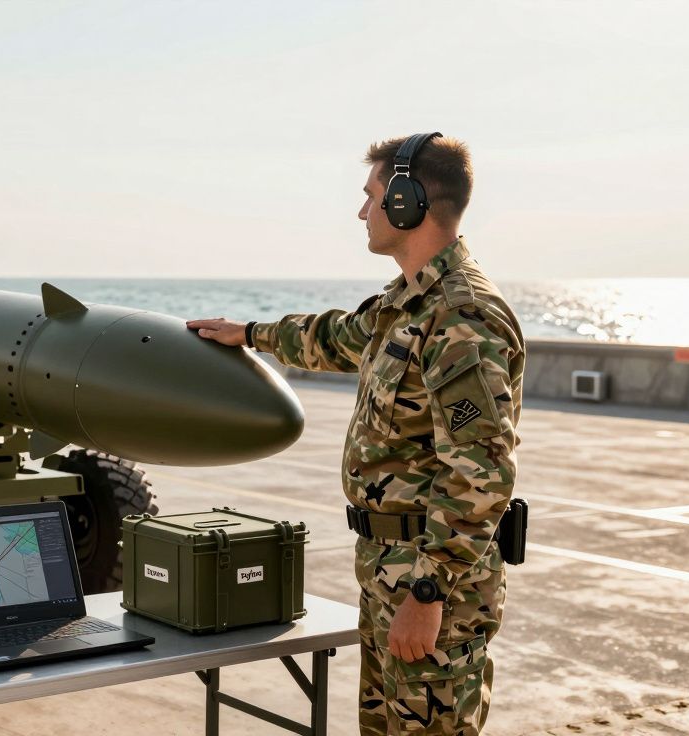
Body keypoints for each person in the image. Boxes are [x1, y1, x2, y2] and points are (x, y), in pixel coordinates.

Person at [187, 133, 523, 735]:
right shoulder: (407, 302)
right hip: (388, 571)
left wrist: (427, 592)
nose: (362, 211)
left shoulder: (461, 317)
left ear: (407, 202)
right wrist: (251, 333)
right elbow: (339, 336)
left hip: (431, 585)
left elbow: (480, 472)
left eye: (371, 196)